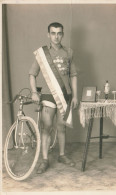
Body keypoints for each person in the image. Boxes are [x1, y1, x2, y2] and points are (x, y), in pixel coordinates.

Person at [29, 22, 78, 174]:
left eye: (59, 33)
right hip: (48, 96)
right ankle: (44, 160)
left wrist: (75, 95)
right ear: (48, 34)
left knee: (61, 127)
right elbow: (32, 74)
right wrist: (33, 92)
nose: (56, 36)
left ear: (62, 34)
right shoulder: (42, 53)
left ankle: (62, 155)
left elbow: (73, 75)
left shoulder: (68, 52)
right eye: (53, 33)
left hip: (65, 95)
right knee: (47, 127)